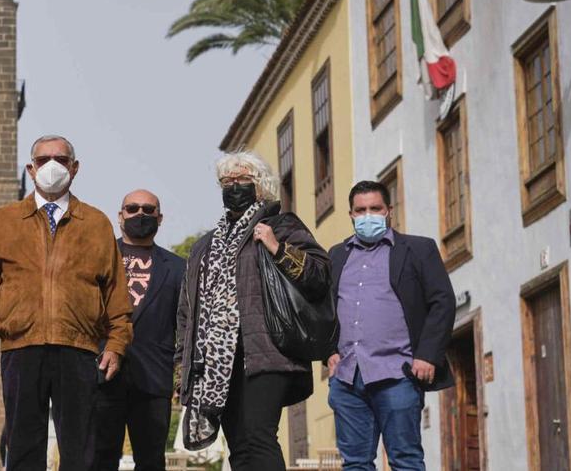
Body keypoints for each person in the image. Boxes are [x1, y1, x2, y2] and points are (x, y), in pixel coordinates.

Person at [0, 134, 133, 470]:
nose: (52, 166)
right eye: (44, 160)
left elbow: (116, 292)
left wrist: (116, 344)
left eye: (61, 159)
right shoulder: (5, 220)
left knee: (80, 447)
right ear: (31, 169)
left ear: (75, 168)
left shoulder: (96, 223)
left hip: (79, 349)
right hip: (20, 347)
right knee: (23, 446)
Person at [175, 151, 331, 471]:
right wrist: (184, 364)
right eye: (227, 181)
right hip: (218, 360)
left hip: (267, 351)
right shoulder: (205, 246)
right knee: (239, 446)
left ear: (260, 185)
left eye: (242, 179)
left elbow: (320, 276)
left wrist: (277, 247)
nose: (234, 187)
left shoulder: (281, 225)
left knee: (259, 435)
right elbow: (186, 311)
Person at [325, 181, 456, 471]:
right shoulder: (336, 256)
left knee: (405, 461)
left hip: (398, 375)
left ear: (388, 211)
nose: (367, 215)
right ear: (350, 214)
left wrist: (427, 354)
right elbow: (321, 309)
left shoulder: (418, 249)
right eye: (360, 210)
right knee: (355, 464)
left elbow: (442, 302)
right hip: (348, 379)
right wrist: (328, 353)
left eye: (375, 208)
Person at [93, 190, 186, 471]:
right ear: (120, 216)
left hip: (153, 378)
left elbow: (185, 323)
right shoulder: (98, 258)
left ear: (160, 217)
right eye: (132, 208)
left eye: (148, 209)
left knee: (151, 461)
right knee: (99, 458)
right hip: (101, 374)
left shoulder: (179, 267)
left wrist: (182, 372)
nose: (140, 214)